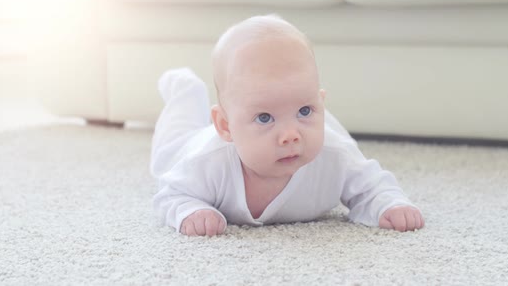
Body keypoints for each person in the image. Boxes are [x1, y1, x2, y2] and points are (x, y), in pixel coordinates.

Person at [151, 15, 424, 236]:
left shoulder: (334, 156)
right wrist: (192, 211)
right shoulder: (207, 163)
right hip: (186, 145)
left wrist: (390, 205)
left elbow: (373, 187)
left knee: (323, 131)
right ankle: (186, 90)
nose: (290, 135)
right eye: (265, 118)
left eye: (305, 110)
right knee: (176, 133)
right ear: (226, 126)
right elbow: (170, 195)